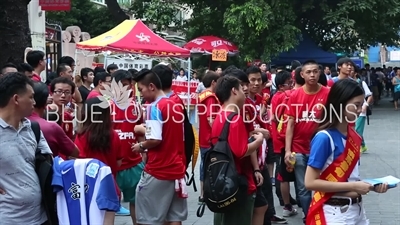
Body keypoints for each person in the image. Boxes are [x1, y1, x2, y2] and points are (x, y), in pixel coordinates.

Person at [305, 79, 388, 224]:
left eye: (361, 104)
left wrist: (371, 186)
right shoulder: (324, 138)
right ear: (340, 104)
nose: (360, 109)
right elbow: (310, 182)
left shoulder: (353, 135)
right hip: (335, 212)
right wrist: (354, 186)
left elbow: (351, 178)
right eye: (356, 105)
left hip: (357, 210)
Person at [132, 70, 188, 225]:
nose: (141, 94)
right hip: (177, 168)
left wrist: (141, 145)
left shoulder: (153, 108)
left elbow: (155, 139)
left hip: (159, 169)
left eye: (141, 89)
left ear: (151, 86)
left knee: (148, 217)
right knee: (174, 217)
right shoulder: (175, 104)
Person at [0, 72, 52, 224]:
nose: (34, 102)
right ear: (16, 99)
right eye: (31, 97)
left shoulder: (33, 128)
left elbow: (50, 160)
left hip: (40, 217)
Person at [212, 75, 264, 225]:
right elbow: (240, 151)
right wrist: (258, 140)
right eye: (241, 88)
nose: (244, 90)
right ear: (234, 91)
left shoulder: (221, 114)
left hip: (224, 181)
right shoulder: (234, 118)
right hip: (236, 183)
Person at [284, 60, 330, 222]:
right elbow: (289, 125)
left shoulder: (328, 93)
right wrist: (287, 150)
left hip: (322, 149)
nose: (312, 75)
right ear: (301, 74)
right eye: (308, 72)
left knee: (324, 184)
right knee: (303, 188)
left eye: (315, 71)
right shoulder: (295, 95)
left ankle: (323, 214)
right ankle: (309, 216)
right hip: (299, 149)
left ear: (320, 73)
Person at [28, 82, 79, 158]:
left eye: (67, 92)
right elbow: (74, 151)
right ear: (51, 95)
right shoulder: (51, 126)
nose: (63, 95)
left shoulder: (68, 116)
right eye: (59, 91)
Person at [197, 71, 220, 204]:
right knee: (208, 167)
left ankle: (203, 194)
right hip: (210, 139)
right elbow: (211, 119)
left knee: (204, 166)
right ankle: (205, 194)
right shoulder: (211, 98)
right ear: (213, 82)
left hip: (203, 137)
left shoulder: (202, 95)